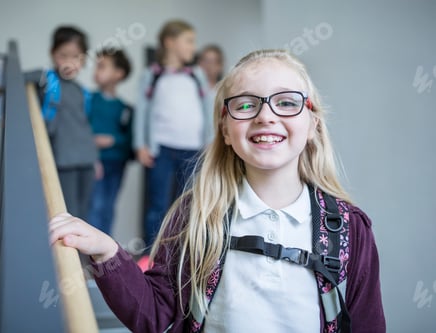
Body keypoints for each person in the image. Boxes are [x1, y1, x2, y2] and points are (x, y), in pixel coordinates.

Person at [49, 49, 386, 333]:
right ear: (225, 129)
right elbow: (153, 314)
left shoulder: (350, 229)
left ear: (312, 124)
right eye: (245, 105)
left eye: (286, 102)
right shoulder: (197, 214)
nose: (266, 115)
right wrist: (108, 252)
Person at [133, 20, 212, 251]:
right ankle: (151, 255)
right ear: (169, 42)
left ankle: (181, 255)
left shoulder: (196, 74)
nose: (192, 47)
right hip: (162, 150)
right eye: (188, 41)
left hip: (193, 149)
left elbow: (208, 110)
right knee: (158, 205)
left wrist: (210, 139)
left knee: (187, 204)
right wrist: (140, 145)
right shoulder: (152, 75)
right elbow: (142, 112)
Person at [40, 25, 97, 220]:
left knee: (84, 214)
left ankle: (82, 252)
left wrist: (95, 159)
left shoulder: (83, 91)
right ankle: (70, 252)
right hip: (63, 160)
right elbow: (18, 78)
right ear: (52, 54)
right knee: (68, 214)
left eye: (76, 57)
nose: (69, 62)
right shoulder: (47, 82)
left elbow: (84, 126)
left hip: (87, 160)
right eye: (63, 55)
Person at [88, 48, 133, 235]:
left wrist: (113, 140)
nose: (96, 71)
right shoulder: (88, 100)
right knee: (95, 206)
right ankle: (87, 256)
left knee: (108, 207)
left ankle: (103, 255)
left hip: (116, 164)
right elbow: (80, 130)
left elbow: (130, 141)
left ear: (118, 74)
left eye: (102, 66)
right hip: (93, 163)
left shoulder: (125, 109)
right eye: (97, 66)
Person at [198, 44, 224, 121]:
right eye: (205, 61)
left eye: (212, 62)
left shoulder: (223, 92)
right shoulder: (191, 88)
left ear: (220, 66)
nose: (208, 66)